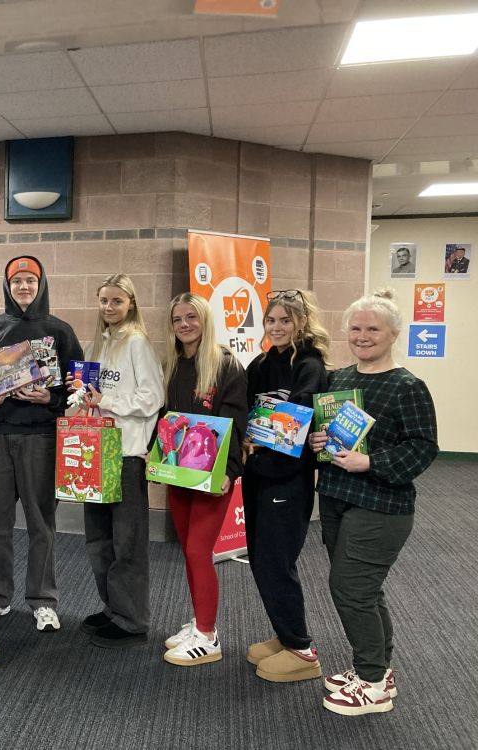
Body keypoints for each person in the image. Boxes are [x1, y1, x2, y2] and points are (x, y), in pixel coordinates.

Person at [309, 290, 438, 716]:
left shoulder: (408, 387)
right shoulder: (341, 378)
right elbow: (330, 435)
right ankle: (378, 668)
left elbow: (423, 448)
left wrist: (370, 462)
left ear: (393, 334)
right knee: (365, 590)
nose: (362, 336)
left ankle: (371, 685)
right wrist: (319, 441)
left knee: (350, 589)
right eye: (356, 328)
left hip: (381, 505)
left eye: (373, 329)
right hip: (336, 496)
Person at [0, 256, 83, 632]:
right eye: (17, 281)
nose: (23, 287)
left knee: (41, 522)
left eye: (30, 280)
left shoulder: (60, 331)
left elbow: (76, 387)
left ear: (41, 283)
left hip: (41, 437)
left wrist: (49, 401)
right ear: (7, 285)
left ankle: (43, 599)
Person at [242, 289, 330, 681]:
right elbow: (244, 410)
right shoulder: (260, 363)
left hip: (289, 479)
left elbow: (294, 420)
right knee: (261, 558)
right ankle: (284, 634)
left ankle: (302, 648)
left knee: (277, 561)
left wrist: (264, 429)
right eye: (271, 320)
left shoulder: (310, 364)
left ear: (302, 323)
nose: (276, 328)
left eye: (285, 321)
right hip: (257, 474)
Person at [74, 275, 163, 648]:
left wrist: (107, 402)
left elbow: (152, 398)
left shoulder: (137, 343)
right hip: (96, 450)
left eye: (117, 301)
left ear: (131, 304)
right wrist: (76, 398)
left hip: (125, 453)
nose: (109, 308)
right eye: (104, 301)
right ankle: (113, 608)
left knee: (127, 541)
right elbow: (89, 393)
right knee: (99, 539)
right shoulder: (97, 343)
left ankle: (132, 620)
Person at [160, 292, 247, 666]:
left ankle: (208, 637)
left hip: (213, 477)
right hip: (178, 472)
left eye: (191, 318)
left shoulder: (226, 365)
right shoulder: (174, 364)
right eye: (177, 319)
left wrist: (229, 472)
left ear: (205, 320)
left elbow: (236, 424)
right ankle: (200, 621)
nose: (184, 325)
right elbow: (166, 418)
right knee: (189, 551)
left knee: (199, 550)